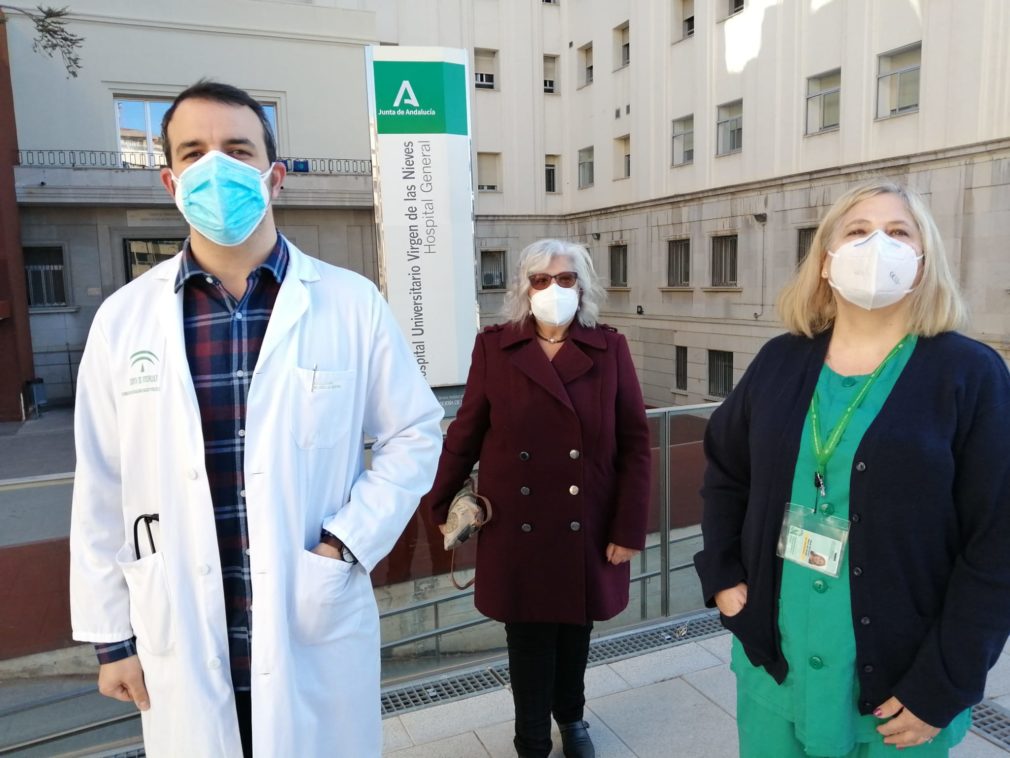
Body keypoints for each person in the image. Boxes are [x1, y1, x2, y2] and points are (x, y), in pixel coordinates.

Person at [69, 80, 444, 757]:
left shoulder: (349, 303)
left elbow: (414, 433)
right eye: (194, 152)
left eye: (238, 150)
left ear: (274, 176)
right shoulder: (124, 321)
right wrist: (113, 642)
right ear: (169, 180)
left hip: (310, 618)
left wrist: (346, 542)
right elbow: (101, 483)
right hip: (180, 633)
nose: (217, 167)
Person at [694, 180, 1010, 757]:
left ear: (922, 260)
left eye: (898, 233)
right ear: (825, 261)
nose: (877, 246)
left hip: (899, 692)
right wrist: (721, 574)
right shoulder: (780, 360)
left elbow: (996, 542)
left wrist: (946, 682)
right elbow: (725, 469)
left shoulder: (970, 374)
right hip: (776, 667)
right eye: (858, 232)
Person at [420, 239, 651, 758]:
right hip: (516, 524)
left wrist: (628, 527)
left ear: (582, 286)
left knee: (575, 632)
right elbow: (466, 431)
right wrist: (439, 506)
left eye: (565, 278)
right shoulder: (495, 347)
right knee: (527, 640)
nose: (553, 288)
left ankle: (571, 721)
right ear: (524, 288)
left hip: (587, 521)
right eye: (541, 279)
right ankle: (530, 740)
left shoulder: (608, 347)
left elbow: (636, 443)